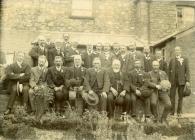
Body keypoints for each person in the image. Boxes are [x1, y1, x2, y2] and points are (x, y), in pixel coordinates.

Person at [169, 46, 190, 116]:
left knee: (180, 97)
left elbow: (187, 70)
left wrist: (187, 80)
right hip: (173, 81)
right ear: (174, 52)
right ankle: (172, 111)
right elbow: (169, 71)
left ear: (181, 51)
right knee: (172, 96)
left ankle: (179, 112)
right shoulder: (172, 60)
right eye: (176, 50)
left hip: (181, 81)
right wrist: (169, 80)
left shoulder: (185, 59)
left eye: (178, 50)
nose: (177, 52)